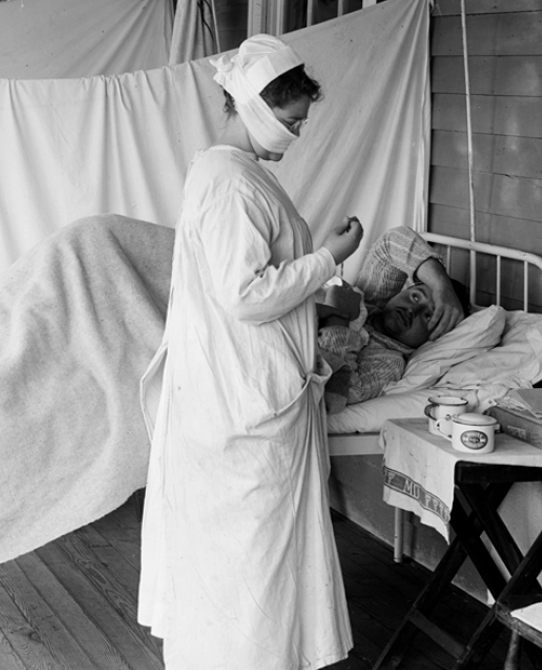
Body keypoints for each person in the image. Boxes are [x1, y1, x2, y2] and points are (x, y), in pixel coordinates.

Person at [138, 35, 361, 668]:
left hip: (238, 382)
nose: (295, 136)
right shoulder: (231, 182)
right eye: (291, 122)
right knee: (250, 554)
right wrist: (329, 260)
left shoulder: (230, 173)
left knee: (247, 554)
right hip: (242, 393)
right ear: (257, 108)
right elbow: (245, 295)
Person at [318, 226, 467, 412]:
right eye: (415, 296)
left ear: (436, 334)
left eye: (428, 315)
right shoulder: (371, 300)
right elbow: (392, 241)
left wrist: (336, 316)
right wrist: (440, 286)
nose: (413, 310)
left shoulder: (389, 362)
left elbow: (336, 396)